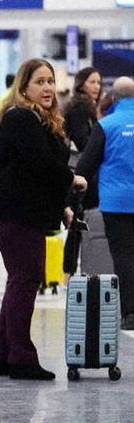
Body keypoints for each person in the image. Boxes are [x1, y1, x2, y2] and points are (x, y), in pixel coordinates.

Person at [0, 58, 87, 380]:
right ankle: (21, 358)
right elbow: (39, 163)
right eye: (39, 82)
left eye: (50, 81)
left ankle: (3, 354)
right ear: (24, 87)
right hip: (15, 215)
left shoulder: (35, 118)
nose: (47, 88)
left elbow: (34, 175)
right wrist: (72, 179)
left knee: (19, 280)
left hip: (19, 213)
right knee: (25, 280)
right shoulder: (21, 117)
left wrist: (63, 208)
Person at [76, 77, 134, 330]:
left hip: (116, 203)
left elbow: (86, 165)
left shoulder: (106, 125)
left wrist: (74, 194)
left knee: (123, 255)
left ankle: (130, 313)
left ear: (113, 98)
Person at [62, 67, 104, 278]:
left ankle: (70, 271)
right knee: (78, 222)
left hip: (80, 171)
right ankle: (71, 271)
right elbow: (82, 140)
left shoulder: (86, 106)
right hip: (80, 172)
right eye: (92, 82)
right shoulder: (80, 107)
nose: (97, 86)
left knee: (77, 223)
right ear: (81, 84)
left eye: (98, 82)